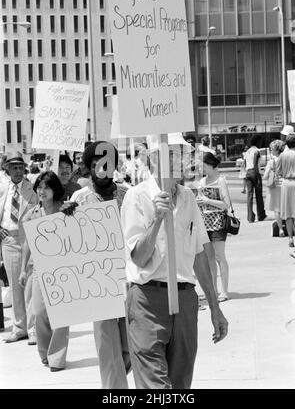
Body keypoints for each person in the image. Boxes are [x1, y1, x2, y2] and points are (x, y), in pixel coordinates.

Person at [121, 139, 228, 389]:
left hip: (185, 301)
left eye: (183, 153)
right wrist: (157, 219)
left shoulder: (188, 196)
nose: (182, 159)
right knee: (156, 387)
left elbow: (200, 254)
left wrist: (215, 307)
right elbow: (138, 257)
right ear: (154, 160)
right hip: (147, 300)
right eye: (173, 153)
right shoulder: (136, 197)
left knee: (180, 385)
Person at [62, 141, 131, 389]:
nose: (102, 170)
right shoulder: (79, 199)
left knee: (128, 350)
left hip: (129, 280)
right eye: (96, 166)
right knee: (107, 348)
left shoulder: (128, 195)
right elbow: (69, 243)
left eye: (107, 165)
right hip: (98, 284)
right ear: (88, 167)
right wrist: (66, 218)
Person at [19, 172, 69, 371]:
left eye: (46, 187)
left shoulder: (65, 210)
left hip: (63, 268)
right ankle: (45, 352)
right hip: (40, 269)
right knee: (39, 312)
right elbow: (27, 244)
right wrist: (23, 270)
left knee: (61, 315)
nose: (42, 191)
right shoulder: (32, 214)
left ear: (54, 189)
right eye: (39, 187)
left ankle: (57, 358)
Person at [0, 153, 37, 344]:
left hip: (28, 241)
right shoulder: (2, 188)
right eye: (13, 167)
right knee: (15, 285)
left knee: (29, 286)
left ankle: (33, 329)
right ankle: (19, 327)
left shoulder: (32, 189)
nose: (17, 170)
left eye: (20, 167)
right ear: (7, 169)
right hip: (9, 240)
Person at [197, 153, 231, 302]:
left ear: (210, 164)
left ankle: (224, 291)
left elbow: (226, 204)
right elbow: (200, 201)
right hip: (205, 222)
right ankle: (213, 291)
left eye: (203, 166)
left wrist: (207, 200)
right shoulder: (202, 182)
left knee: (219, 257)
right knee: (209, 258)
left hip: (218, 222)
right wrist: (200, 201)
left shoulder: (221, 180)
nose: (202, 169)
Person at [276, 133, 295, 259]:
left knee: (288, 214)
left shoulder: (282, 155)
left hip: (286, 183)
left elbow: (278, 171)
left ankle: (290, 238)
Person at [263, 140, 285, 237]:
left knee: (277, 209)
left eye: (272, 149)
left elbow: (265, 176)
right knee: (287, 208)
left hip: (275, 186)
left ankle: (280, 229)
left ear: (276, 150)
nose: (270, 150)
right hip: (285, 184)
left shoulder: (271, 162)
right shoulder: (285, 159)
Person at [244, 134, 266, 223]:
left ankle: (250, 217)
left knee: (249, 196)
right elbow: (255, 164)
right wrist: (258, 176)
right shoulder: (257, 151)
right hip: (254, 172)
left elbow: (245, 164)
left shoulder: (247, 151)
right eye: (260, 141)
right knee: (258, 195)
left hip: (247, 173)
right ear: (258, 141)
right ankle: (261, 215)